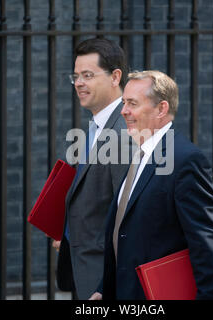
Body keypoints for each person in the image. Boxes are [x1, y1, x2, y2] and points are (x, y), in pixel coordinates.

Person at [92, 70, 213, 300]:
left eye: (132, 103)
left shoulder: (186, 161)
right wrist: (104, 289)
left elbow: (207, 248)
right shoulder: (139, 156)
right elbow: (127, 235)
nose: (124, 111)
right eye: (123, 102)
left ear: (162, 109)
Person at [54, 38, 131, 300]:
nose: (79, 83)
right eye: (76, 76)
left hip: (103, 282)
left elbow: (128, 221)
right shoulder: (97, 125)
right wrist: (68, 235)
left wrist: (105, 286)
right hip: (83, 269)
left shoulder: (123, 133)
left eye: (88, 75)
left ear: (115, 77)